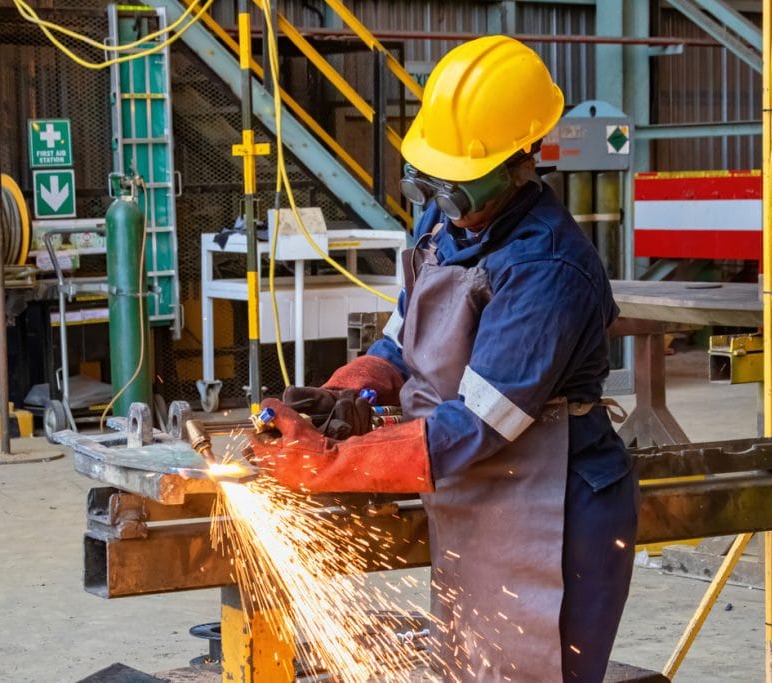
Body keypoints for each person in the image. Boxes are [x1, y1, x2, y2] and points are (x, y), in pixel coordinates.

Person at [248, 35, 638, 683]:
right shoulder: (440, 221)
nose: (440, 197)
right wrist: (350, 392)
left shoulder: (547, 267)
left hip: (556, 504)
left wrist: (331, 462)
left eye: (458, 182)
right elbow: (403, 339)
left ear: (521, 160)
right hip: (476, 485)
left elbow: (478, 425)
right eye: (433, 175)